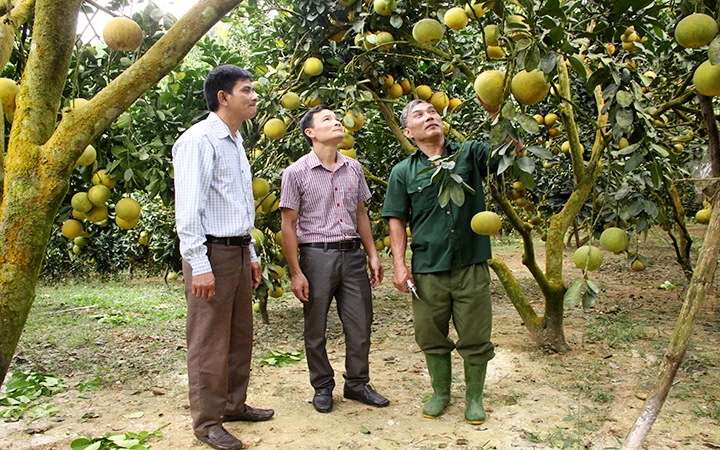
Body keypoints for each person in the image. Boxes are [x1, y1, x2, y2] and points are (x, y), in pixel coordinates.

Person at [173, 65, 274, 450]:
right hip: (210, 252)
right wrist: (199, 264)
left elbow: (235, 205)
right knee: (209, 340)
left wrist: (248, 252)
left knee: (238, 335)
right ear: (224, 97)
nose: (253, 96)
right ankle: (207, 422)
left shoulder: (234, 140)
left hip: (234, 249)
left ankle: (233, 404)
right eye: (246, 90)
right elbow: (189, 211)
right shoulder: (199, 140)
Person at [381, 99, 497, 425]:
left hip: (471, 262)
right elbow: (396, 220)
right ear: (407, 131)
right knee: (430, 334)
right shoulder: (404, 172)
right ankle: (441, 393)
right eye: (419, 114)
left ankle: (474, 398)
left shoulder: (469, 154)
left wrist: (497, 115)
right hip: (428, 266)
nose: (429, 116)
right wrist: (400, 266)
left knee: (475, 334)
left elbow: (507, 153)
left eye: (433, 112)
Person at [280, 105, 388, 413]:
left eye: (337, 117)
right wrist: (296, 272)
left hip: (352, 255)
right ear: (310, 133)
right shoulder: (296, 172)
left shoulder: (353, 167)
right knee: (315, 328)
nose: (337, 121)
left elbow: (360, 213)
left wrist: (373, 254)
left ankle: (357, 383)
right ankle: (322, 386)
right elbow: (287, 225)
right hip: (316, 256)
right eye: (327, 119)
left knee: (360, 324)